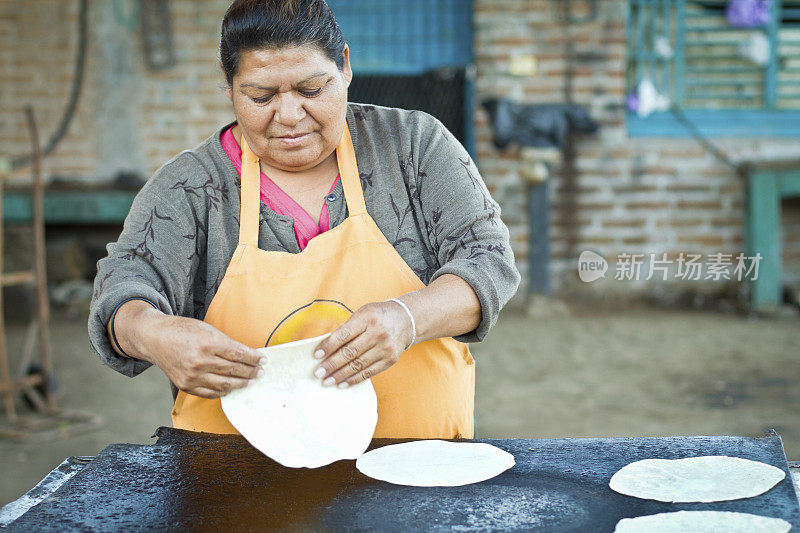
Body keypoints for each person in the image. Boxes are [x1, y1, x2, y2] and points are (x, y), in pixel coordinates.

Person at [88, 0, 520, 439]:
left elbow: (489, 262)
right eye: (261, 97)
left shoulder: (413, 147)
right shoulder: (190, 187)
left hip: (416, 467)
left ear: (346, 66)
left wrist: (408, 318)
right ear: (229, 86)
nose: (290, 116)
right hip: (236, 483)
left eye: (312, 90)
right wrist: (153, 333)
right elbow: (123, 290)